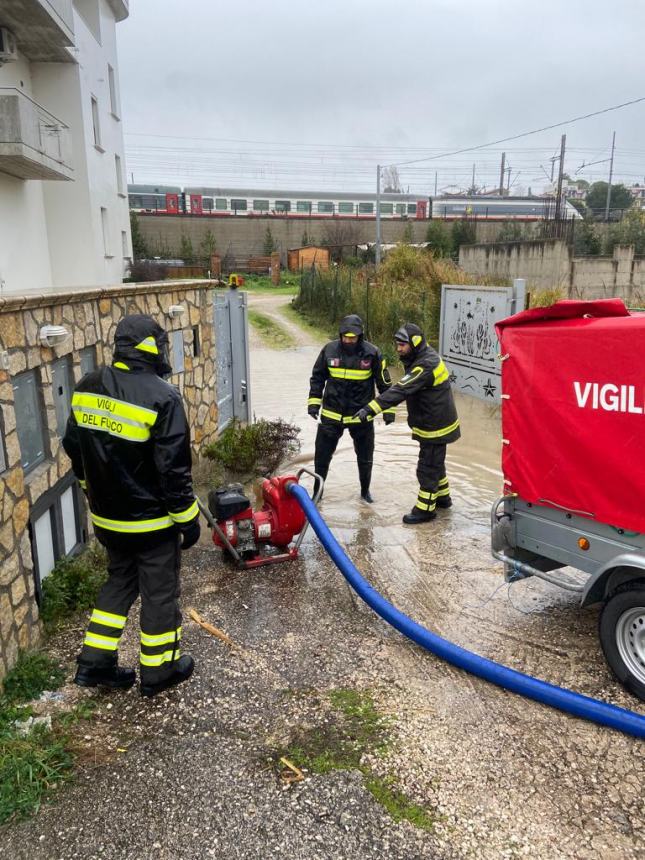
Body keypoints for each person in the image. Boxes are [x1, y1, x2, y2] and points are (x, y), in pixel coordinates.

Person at [62, 314, 201, 698]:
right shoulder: (163, 396)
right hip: (152, 524)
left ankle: (95, 664)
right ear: (153, 348)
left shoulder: (87, 386)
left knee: (119, 583)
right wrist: (188, 521)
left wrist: (91, 488)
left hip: (108, 520)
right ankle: (159, 671)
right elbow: (173, 471)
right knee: (158, 592)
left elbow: (74, 447)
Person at [354, 323, 460, 524]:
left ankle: (425, 510)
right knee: (436, 463)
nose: (398, 349)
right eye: (397, 344)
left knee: (427, 467)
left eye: (402, 345)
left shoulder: (425, 364)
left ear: (415, 343)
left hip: (435, 427)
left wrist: (371, 408)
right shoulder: (420, 356)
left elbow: (401, 389)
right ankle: (443, 499)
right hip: (434, 421)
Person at [308, 313, 395, 502]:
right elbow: (317, 378)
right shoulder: (329, 350)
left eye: (352, 337)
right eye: (345, 337)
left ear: (360, 336)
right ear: (340, 335)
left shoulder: (373, 353)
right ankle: (317, 493)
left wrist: (388, 410)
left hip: (361, 416)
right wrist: (314, 403)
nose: (348, 341)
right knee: (321, 458)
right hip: (331, 415)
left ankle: (365, 493)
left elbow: (384, 384)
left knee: (365, 458)